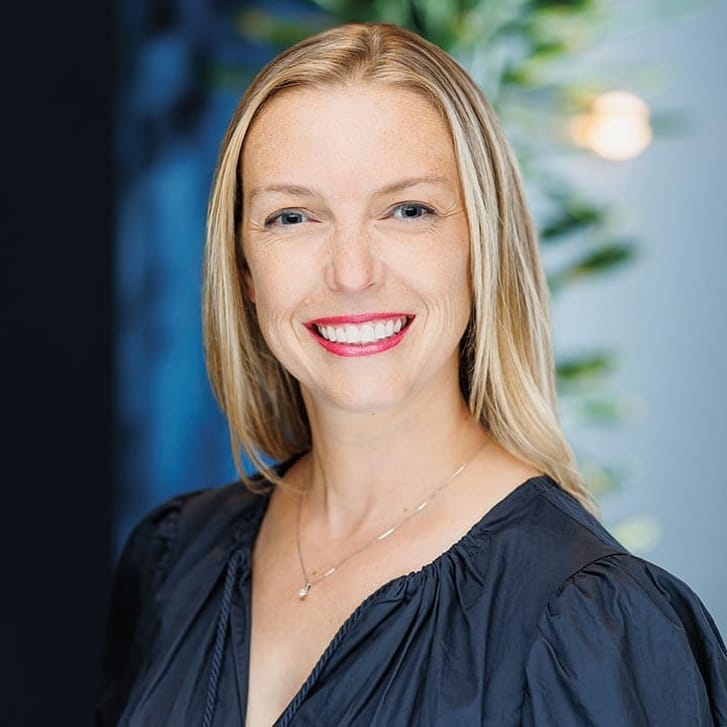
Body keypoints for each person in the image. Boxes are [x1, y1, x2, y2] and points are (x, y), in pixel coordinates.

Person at [96, 21, 727, 727]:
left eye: (407, 210)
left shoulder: (591, 619)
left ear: (478, 243)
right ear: (243, 267)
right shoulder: (173, 557)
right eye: (293, 216)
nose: (351, 272)